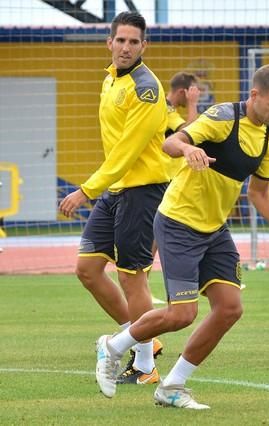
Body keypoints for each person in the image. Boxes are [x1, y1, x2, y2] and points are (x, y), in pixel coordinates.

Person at [94, 64, 269, 408]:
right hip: (179, 221)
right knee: (182, 314)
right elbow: (171, 141)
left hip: (214, 228)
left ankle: (172, 386)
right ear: (254, 95)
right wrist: (189, 150)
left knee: (229, 308)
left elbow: (258, 194)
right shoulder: (223, 117)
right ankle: (113, 348)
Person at [58, 11, 169, 385]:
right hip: (116, 189)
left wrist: (85, 190)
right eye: (120, 40)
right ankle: (141, 341)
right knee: (87, 269)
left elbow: (126, 153)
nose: (125, 47)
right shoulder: (110, 80)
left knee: (131, 276)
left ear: (144, 46)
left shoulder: (146, 88)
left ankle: (144, 366)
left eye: (133, 41)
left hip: (143, 190)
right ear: (109, 42)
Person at [165, 71, 201, 178]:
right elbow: (190, 131)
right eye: (191, 92)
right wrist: (192, 103)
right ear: (182, 92)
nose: (194, 95)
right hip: (167, 174)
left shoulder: (171, 110)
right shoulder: (166, 109)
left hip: (170, 173)